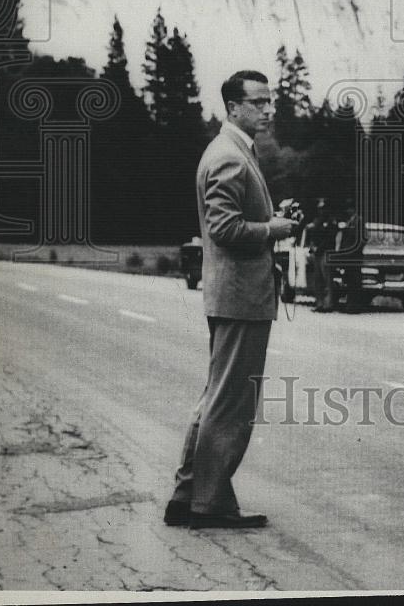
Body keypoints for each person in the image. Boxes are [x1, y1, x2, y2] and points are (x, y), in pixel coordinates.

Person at [164, 70, 296, 529]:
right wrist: (272, 230)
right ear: (233, 107)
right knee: (231, 403)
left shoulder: (234, 151)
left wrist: (271, 220)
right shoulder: (230, 157)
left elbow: (232, 221)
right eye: (258, 102)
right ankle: (210, 504)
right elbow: (223, 230)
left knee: (216, 397)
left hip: (232, 295)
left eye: (269, 101)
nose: (267, 109)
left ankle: (187, 495)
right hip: (240, 297)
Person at [306, 199, 338, 312]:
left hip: (326, 252)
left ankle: (328, 304)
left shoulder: (331, 222)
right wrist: (312, 246)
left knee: (327, 279)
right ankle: (319, 303)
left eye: (323, 208)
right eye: (320, 208)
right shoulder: (317, 221)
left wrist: (318, 248)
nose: (321, 211)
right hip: (317, 253)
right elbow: (313, 235)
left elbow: (329, 238)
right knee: (318, 279)